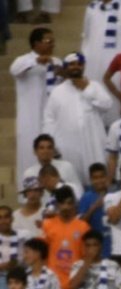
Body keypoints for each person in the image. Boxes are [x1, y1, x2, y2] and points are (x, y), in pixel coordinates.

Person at [42, 52, 113, 186]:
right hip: (68, 146)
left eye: (79, 64)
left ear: (84, 66)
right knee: (72, 182)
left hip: (93, 143)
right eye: (72, 64)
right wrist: (52, 145)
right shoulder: (57, 92)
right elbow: (49, 120)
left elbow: (107, 105)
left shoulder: (94, 86)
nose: (76, 67)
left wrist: (86, 89)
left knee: (97, 182)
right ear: (66, 67)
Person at [10, 28, 61, 178]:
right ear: (36, 43)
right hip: (30, 117)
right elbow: (14, 70)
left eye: (53, 41)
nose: (52, 44)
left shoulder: (56, 61)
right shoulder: (23, 60)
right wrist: (35, 61)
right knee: (28, 155)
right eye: (48, 41)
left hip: (51, 116)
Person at [41, 187, 91, 289]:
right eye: (62, 203)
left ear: (74, 204)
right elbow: (42, 254)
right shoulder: (47, 225)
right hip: (52, 285)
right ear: (57, 205)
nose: (66, 207)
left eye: (69, 203)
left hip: (75, 285)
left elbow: (87, 257)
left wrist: (79, 279)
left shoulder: (83, 227)